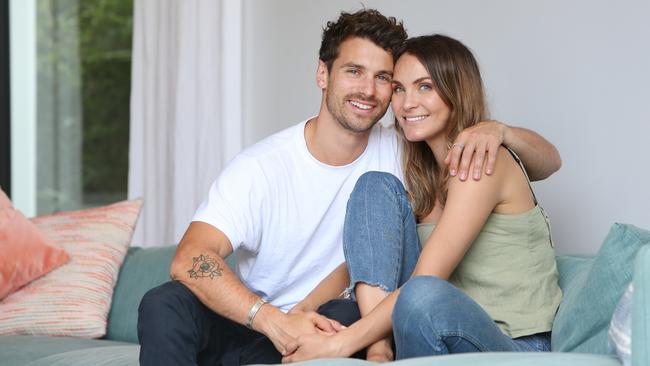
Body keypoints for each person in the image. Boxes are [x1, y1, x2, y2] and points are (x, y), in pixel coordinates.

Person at [138, 9, 561, 366]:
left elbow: (549, 162)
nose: (376, 92)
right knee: (163, 302)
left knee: (398, 291)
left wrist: (499, 130)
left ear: (455, 91)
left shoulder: (433, 154)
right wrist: (283, 317)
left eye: (384, 78)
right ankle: (370, 343)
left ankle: (376, 348)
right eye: (356, 72)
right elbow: (190, 257)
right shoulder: (264, 168)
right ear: (323, 74)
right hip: (267, 322)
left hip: (353, 318)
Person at [282, 34, 563, 363]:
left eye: (425, 86)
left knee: (422, 292)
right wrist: (301, 309)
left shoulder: (485, 161)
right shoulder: (422, 173)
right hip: (434, 331)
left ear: (455, 91)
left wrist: (338, 345)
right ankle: (379, 350)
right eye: (399, 88)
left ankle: (373, 350)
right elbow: (368, 256)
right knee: (375, 186)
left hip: (513, 345)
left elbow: (427, 280)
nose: (406, 103)